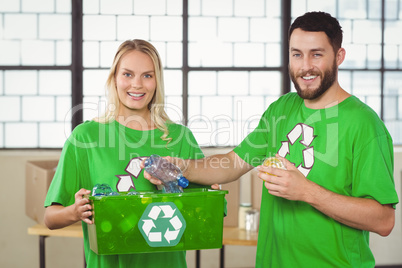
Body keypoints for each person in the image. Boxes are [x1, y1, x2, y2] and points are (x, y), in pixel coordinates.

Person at [144, 12, 399, 267]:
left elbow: (383, 220)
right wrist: (182, 167)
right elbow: (233, 163)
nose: (305, 66)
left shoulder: (364, 125)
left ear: (339, 56)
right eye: (297, 54)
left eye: (317, 54)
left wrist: (307, 191)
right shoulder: (282, 109)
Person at [44, 39, 206, 267]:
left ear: (157, 82)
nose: (137, 84)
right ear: (114, 78)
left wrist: (185, 188)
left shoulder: (180, 138)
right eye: (128, 74)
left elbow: (208, 209)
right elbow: (50, 217)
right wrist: (75, 211)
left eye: (147, 76)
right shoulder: (86, 137)